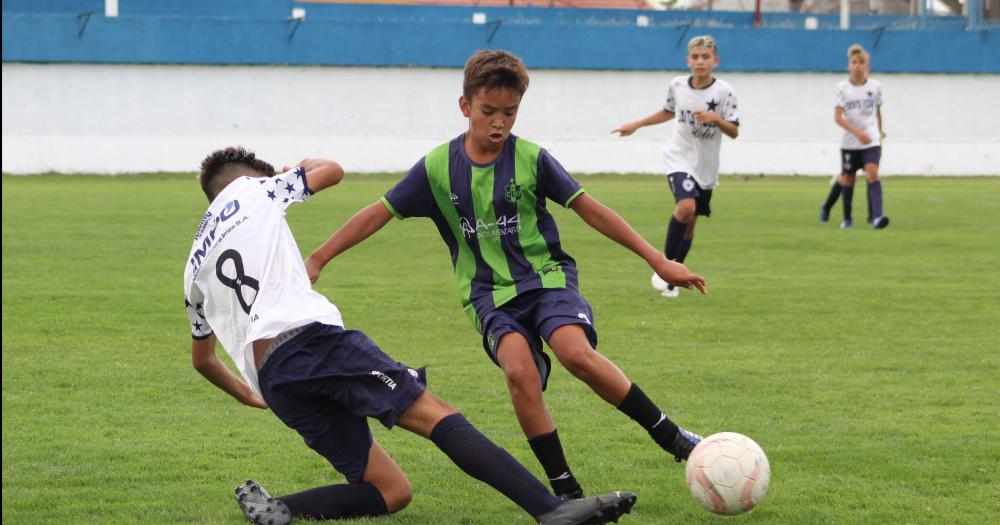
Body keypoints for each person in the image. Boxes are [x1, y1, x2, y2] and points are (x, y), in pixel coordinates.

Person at [304, 50, 707, 502]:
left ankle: (671, 437)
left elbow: (592, 211)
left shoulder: (533, 158)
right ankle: (565, 491)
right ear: (465, 107)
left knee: (574, 352)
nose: (499, 123)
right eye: (488, 112)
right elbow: (377, 214)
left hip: (547, 280)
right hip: (489, 297)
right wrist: (318, 258)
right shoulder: (437, 167)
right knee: (519, 372)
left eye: (510, 113)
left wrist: (657, 259)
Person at [183, 146, 637, 525]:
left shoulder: (191, 266)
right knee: (434, 413)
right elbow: (332, 171)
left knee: (390, 490)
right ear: (252, 177)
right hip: (311, 340)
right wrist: (289, 171)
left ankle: (278, 509)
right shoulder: (253, 190)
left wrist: (249, 394)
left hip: (274, 380)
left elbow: (202, 360)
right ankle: (551, 510)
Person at [613, 35, 739, 298]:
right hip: (678, 157)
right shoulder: (677, 85)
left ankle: (672, 280)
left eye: (706, 57)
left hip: (706, 166)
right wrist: (636, 124)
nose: (700, 61)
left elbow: (734, 131)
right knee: (686, 207)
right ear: (687, 60)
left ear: (715, 60)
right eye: (695, 57)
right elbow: (668, 111)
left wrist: (715, 119)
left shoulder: (724, 92)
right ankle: (663, 267)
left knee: (691, 224)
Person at [819, 44, 889, 229]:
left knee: (872, 173)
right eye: (854, 62)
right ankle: (844, 217)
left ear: (867, 66)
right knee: (847, 178)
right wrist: (857, 133)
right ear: (849, 65)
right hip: (850, 142)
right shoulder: (842, 88)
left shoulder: (875, 87)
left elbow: (877, 112)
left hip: (871, 140)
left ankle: (877, 217)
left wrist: (879, 132)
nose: (857, 66)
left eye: (861, 63)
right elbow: (837, 117)